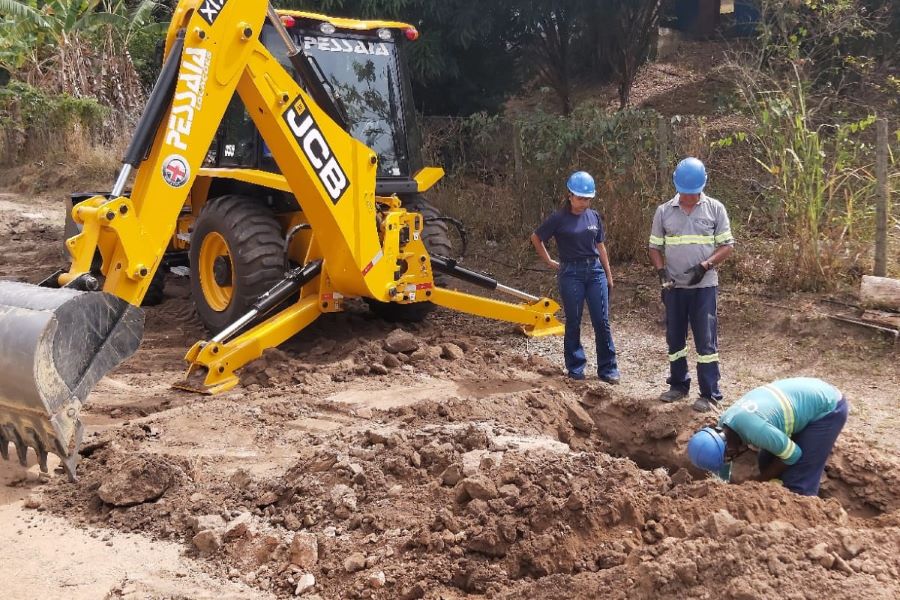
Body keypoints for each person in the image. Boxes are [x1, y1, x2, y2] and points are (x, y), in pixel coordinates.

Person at [649, 157, 734, 412]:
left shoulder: (715, 209)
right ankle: (678, 385)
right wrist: (661, 272)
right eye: (685, 193)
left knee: (706, 342)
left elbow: (727, 245)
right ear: (677, 188)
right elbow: (654, 246)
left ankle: (710, 394)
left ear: (702, 187)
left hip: (704, 288)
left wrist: (705, 265)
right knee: (675, 338)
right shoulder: (664, 211)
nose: (689, 198)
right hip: (674, 288)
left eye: (693, 193)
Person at [687, 377, 849, 496]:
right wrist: (723, 489)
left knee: (798, 481)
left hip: (829, 408)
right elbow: (723, 465)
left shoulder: (757, 429)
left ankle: (803, 517)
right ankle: (777, 491)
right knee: (767, 461)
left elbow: (794, 454)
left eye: (727, 458)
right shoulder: (725, 423)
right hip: (803, 397)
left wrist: (760, 480)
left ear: (729, 449)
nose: (728, 460)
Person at [530, 171, 619, 383]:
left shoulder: (594, 216)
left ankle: (608, 369)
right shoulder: (558, 218)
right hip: (571, 273)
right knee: (574, 320)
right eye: (580, 198)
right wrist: (550, 262)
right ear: (570, 195)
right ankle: (576, 366)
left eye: (588, 199)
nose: (584, 203)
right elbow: (536, 237)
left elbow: (600, 245)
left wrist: (608, 273)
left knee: (602, 321)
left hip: (594, 271)